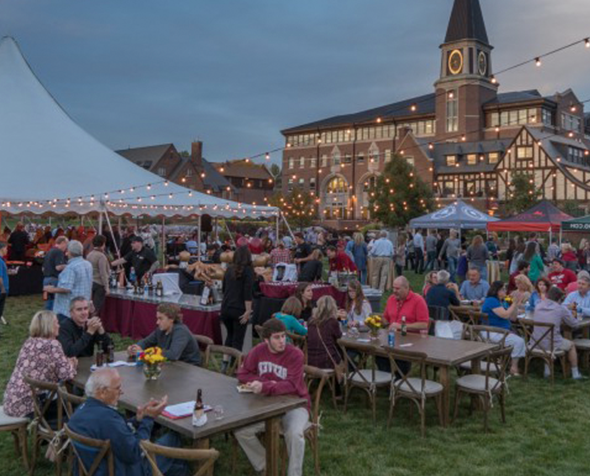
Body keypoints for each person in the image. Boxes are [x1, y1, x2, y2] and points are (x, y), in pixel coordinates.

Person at [68, 368, 188, 476]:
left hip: (94, 469)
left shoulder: (80, 412)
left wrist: (137, 420)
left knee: (175, 468)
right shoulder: (109, 420)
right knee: (173, 437)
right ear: (103, 392)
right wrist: (148, 419)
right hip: (125, 470)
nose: (121, 392)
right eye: (117, 388)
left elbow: (117, 431)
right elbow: (135, 453)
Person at [235, 318, 310, 476]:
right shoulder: (258, 350)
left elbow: (292, 385)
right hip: (266, 404)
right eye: (277, 337)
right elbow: (242, 373)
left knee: (295, 434)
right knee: (241, 430)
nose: (282, 341)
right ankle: (266, 465)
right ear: (266, 339)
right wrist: (264, 383)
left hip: (295, 404)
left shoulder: (295, 354)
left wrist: (265, 386)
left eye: (283, 336)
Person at [3, 311, 77, 417]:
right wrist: (71, 363)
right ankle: (54, 431)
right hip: (30, 407)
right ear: (49, 326)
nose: (59, 326)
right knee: (73, 409)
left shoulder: (29, 341)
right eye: (56, 323)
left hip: (12, 400)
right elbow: (66, 375)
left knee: (64, 404)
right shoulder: (53, 345)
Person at [532, 287, 583, 379]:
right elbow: (574, 324)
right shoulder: (560, 308)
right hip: (551, 344)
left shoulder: (538, 305)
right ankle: (575, 374)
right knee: (571, 345)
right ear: (560, 298)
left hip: (535, 343)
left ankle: (547, 371)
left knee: (547, 338)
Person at [128, 303, 201, 366]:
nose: (157, 322)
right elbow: (146, 342)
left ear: (171, 319)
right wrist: (135, 348)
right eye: (157, 318)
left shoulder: (181, 332)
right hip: (171, 365)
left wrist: (145, 354)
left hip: (189, 368)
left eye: (161, 319)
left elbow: (173, 355)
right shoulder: (161, 330)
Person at [480, 281, 526, 376]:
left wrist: (515, 303)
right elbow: (505, 315)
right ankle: (514, 368)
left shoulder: (503, 299)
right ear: (497, 290)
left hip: (501, 330)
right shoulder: (491, 300)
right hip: (493, 332)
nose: (505, 291)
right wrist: (514, 304)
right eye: (503, 289)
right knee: (519, 341)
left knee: (519, 337)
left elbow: (513, 315)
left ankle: (507, 363)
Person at [44, 240, 93, 323]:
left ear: (69, 252)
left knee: (66, 332)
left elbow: (66, 288)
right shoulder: (88, 264)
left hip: (68, 309)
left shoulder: (71, 268)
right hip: (83, 304)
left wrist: (51, 289)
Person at [220, 246, 254, 352]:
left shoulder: (229, 269)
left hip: (225, 308)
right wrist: (248, 310)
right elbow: (247, 292)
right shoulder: (248, 271)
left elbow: (224, 289)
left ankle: (225, 363)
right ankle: (235, 365)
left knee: (229, 336)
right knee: (237, 340)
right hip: (239, 309)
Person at [307, 296, 343, 369]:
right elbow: (339, 336)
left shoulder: (311, 320)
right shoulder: (332, 322)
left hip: (309, 360)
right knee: (347, 354)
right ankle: (344, 378)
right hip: (327, 361)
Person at [42, 236, 68, 310]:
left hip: (46, 279)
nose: (66, 247)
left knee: (48, 302)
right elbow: (58, 267)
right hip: (54, 279)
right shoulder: (58, 252)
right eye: (66, 244)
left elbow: (43, 268)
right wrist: (69, 266)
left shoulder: (49, 251)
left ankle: (47, 318)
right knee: (54, 303)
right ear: (63, 243)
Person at [86, 235, 110, 315]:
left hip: (90, 283)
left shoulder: (89, 255)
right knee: (95, 308)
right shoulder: (101, 256)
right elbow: (103, 273)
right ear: (103, 244)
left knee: (89, 306)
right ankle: (93, 323)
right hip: (99, 284)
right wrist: (106, 287)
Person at [0, 243, 8, 325]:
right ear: (1, 249)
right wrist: (3, 289)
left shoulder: (2, 260)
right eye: (6, 248)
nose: (7, 250)